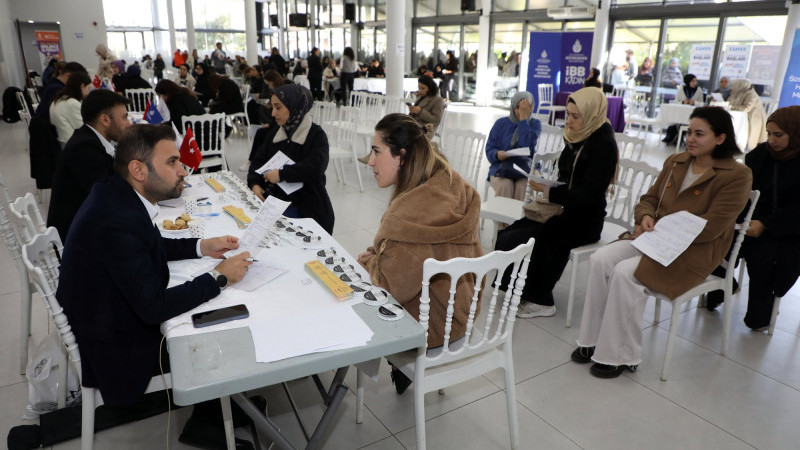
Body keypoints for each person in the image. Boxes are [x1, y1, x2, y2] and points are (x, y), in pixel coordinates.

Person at [56, 124, 252, 447]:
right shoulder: (116, 220)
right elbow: (154, 307)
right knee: (219, 331)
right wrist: (220, 276)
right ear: (138, 169)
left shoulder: (115, 194)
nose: (183, 169)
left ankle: (220, 409)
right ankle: (212, 422)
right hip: (114, 350)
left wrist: (201, 246)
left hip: (105, 319)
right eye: (172, 162)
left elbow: (148, 242)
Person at [571, 106, 752, 378]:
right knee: (600, 260)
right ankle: (591, 340)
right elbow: (650, 199)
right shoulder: (677, 162)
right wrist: (645, 216)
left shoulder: (737, 175)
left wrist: (664, 228)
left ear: (721, 138)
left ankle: (621, 354)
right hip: (655, 238)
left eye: (699, 134)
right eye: (689, 132)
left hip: (695, 250)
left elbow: (713, 225)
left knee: (625, 273)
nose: (690, 138)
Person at [357, 113, 483, 392]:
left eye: (377, 151)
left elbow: (388, 288)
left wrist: (371, 262)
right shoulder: (451, 183)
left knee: (354, 295)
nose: (371, 161)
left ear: (401, 156)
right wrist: (379, 255)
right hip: (460, 313)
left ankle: (391, 366)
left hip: (432, 328)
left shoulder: (409, 213)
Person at [494, 87, 618, 318]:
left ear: (591, 114)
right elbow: (568, 178)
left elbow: (589, 197)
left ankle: (541, 299)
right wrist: (550, 187)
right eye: (568, 115)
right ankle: (519, 288)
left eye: (574, 116)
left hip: (585, 221)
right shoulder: (579, 135)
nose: (568, 121)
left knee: (543, 236)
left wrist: (550, 192)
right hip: (564, 209)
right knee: (514, 231)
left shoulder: (603, 146)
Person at [734, 106, 800, 330]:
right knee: (718, 237)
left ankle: (760, 315)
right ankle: (720, 287)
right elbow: (746, 192)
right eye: (769, 133)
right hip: (755, 219)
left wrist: (767, 224)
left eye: (778, 135)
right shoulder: (760, 155)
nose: (771, 140)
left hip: (790, 229)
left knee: (762, 254)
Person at [247, 84, 335, 234]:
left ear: (294, 106)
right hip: (276, 203)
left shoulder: (315, 134)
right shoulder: (276, 133)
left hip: (307, 207)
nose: (273, 114)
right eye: (272, 108)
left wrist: (281, 174)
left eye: (278, 107)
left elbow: (316, 167)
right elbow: (257, 162)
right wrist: (254, 184)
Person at [47, 90, 131, 241]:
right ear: (105, 120)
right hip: (77, 239)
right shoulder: (84, 148)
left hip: (87, 224)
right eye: (124, 117)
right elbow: (109, 198)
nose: (128, 123)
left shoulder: (88, 139)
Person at [485, 91, 541, 204]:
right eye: (518, 108)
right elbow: (490, 149)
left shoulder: (535, 124)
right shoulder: (500, 123)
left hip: (524, 169)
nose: (521, 111)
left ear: (532, 107)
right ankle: (503, 221)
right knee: (505, 186)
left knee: (524, 187)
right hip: (501, 168)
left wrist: (523, 120)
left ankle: (520, 221)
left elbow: (525, 144)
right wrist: (497, 154)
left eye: (526, 108)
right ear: (512, 107)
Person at [49, 71, 91, 146]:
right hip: (72, 144)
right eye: (88, 88)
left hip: (62, 141)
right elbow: (82, 128)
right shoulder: (72, 103)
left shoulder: (59, 99)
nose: (88, 92)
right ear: (82, 86)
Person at [729, 78, 768, 151]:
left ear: (740, 85)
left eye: (734, 86)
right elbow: (729, 103)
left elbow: (746, 108)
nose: (732, 88)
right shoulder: (737, 93)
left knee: (751, 137)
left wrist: (733, 106)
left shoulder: (751, 94)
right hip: (742, 117)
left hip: (753, 118)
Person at [408, 75, 445, 139]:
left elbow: (436, 120)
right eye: (419, 88)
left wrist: (420, 111)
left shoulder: (437, 100)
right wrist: (413, 111)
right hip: (415, 126)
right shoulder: (420, 97)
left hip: (427, 128)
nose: (420, 90)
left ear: (430, 88)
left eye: (423, 88)